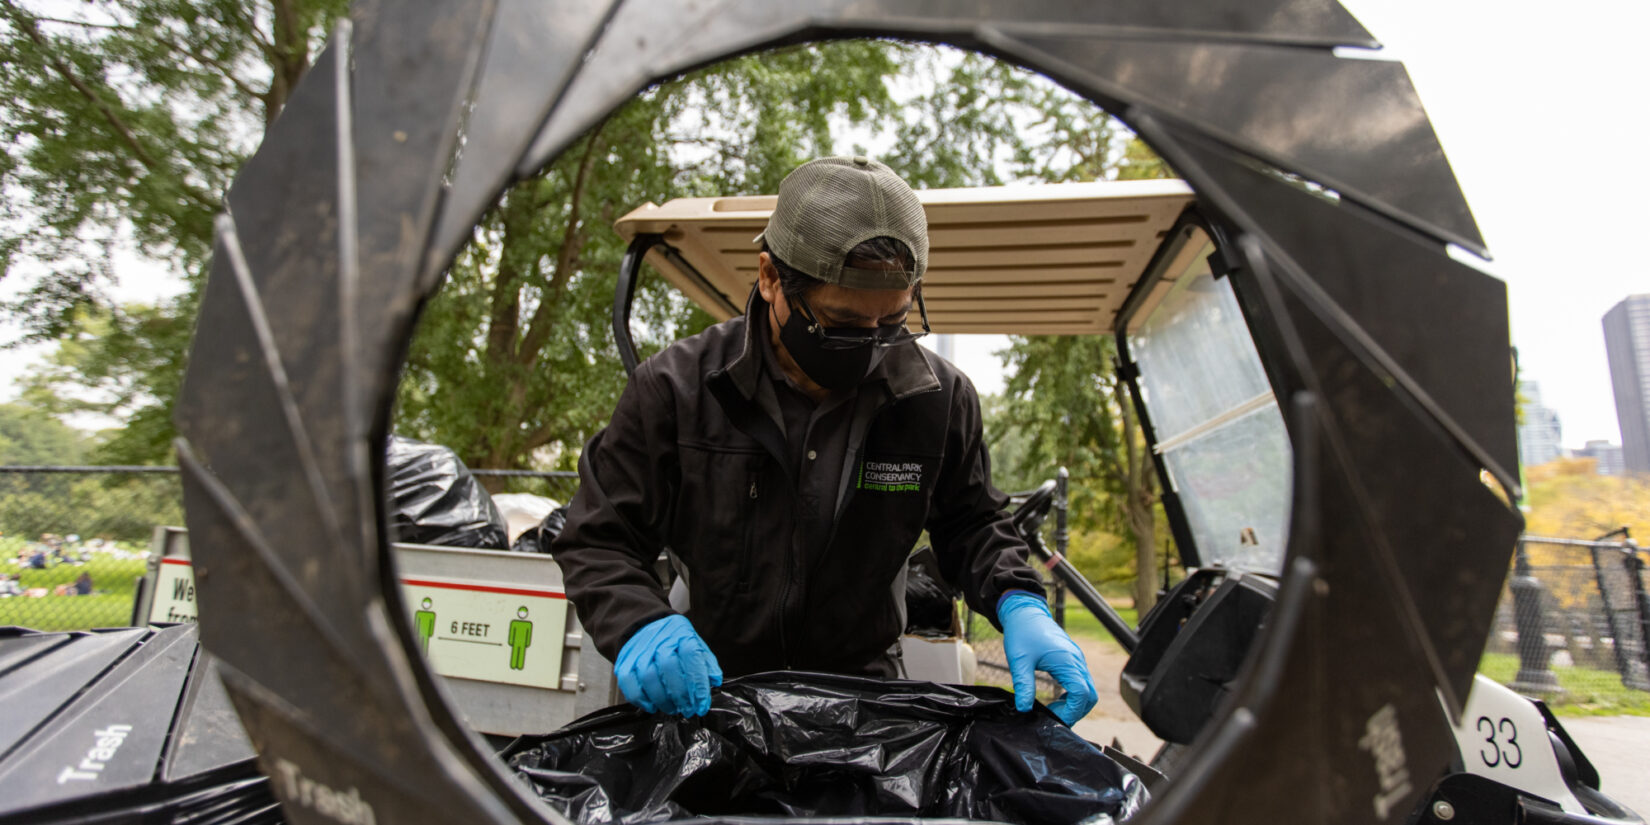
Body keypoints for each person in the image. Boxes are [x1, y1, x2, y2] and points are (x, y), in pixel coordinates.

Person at [552, 156, 1096, 725]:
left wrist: (1020, 600)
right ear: (769, 278)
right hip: (711, 688)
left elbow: (974, 523)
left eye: (892, 323)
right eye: (840, 325)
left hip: (861, 695)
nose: (870, 346)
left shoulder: (937, 399)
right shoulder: (677, 390)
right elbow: (599, 539)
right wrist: (640, 622)